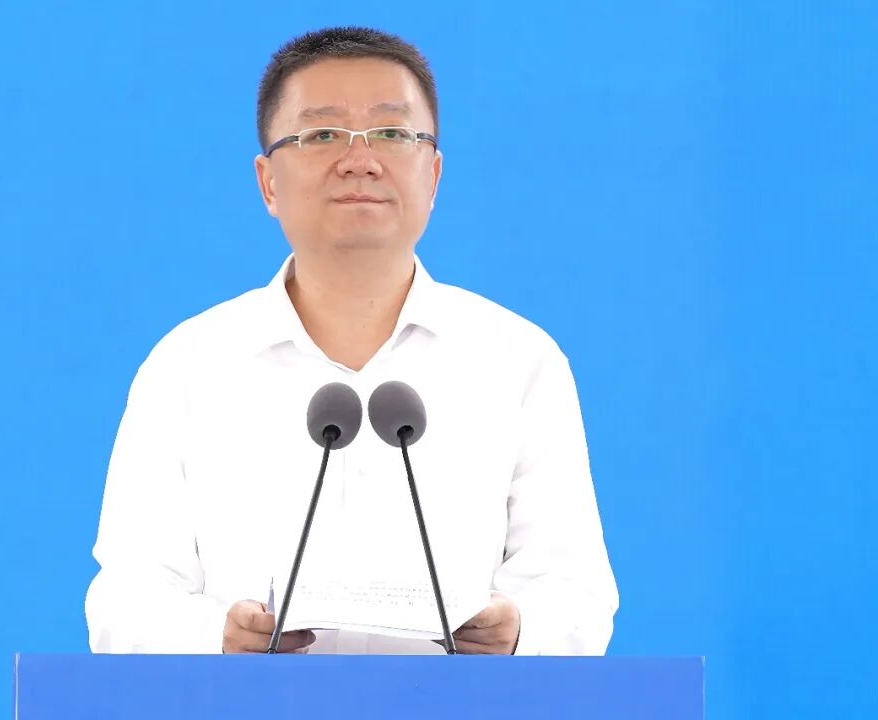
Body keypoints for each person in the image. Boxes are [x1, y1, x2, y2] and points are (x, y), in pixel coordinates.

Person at [85, 26, 618, 655]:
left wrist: (520, 630)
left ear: (433, 175)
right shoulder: (188, 365)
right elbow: (126, 600)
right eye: (321, 135)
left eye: (392, 133)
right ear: (268, 182)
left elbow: (575, 594)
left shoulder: (518, 360)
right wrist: (217, 638)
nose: (359, 159)